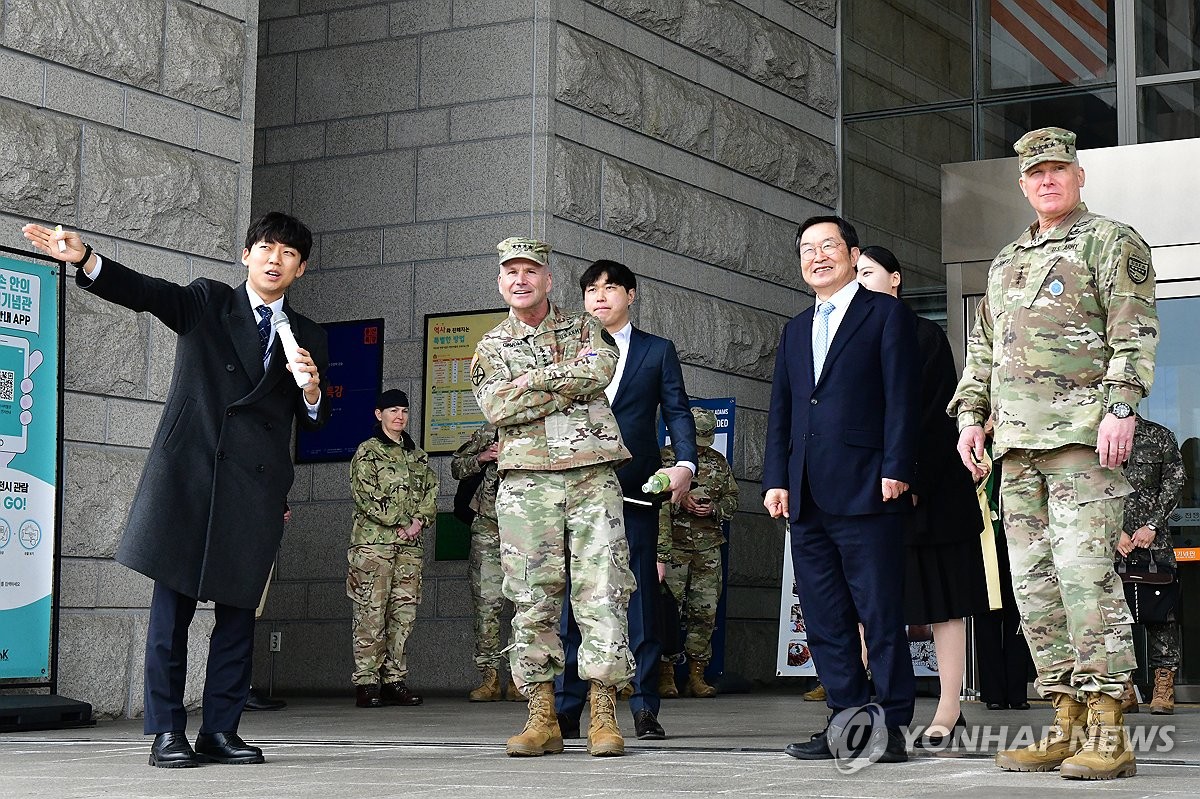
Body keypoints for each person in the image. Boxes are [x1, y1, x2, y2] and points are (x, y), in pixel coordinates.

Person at [21, 213, 329, 767]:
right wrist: (88, 260)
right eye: (265, 247)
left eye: (287, 253)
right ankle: (166, 730)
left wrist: (310, 392)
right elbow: (147, 293)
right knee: (172, 613)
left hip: (253, 491)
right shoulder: (208, 302)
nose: (274, 258)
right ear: (246, 255)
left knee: (237, 620)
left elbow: (311, 421)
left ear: (301, 269)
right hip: (191, 478)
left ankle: (221, 731)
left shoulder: (310, 336)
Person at [949, 127, 1159, 781]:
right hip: (1017, 450)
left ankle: (1109, 726)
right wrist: (971, 418)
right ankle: (1064, 719)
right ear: (1022, 184)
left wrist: (1122, 405)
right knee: (1035, 590)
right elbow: (982, 348)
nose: (1047, 180)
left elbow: (1134, 327)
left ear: (1078, 176)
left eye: (1057, 170)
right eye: (1035, 173)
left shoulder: (1110, 241)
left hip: (1081, 441)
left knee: (1084, 578)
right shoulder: (1008, 259)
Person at [762, 215, 920, 764]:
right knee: (826, 617)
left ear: (854, 255)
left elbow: (903, 399)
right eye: (808, 248)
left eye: (829, 246)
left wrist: (897, 465)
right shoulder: (795, 327)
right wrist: (777, 477)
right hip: (805, 493)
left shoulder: (886, 315)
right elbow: (783, 408)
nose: (818, 256)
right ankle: (845, 723)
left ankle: (893, 726)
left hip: (869, 486)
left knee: (879, 614)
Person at [471, 237, 635, 758]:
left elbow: (601, 370)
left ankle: (603, 715)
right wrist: (567, 380)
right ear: (500, 282)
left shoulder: (585, 326)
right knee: (531, 597)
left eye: (530, 271)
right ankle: (541, 716)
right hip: (526, 483)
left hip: (592, 475)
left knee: (603, 589)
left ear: (547, 279)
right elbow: (497, 406)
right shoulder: (490, 345)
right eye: (510, 272)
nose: (520, 280)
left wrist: (533, 380)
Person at [557, 259, 697, 742]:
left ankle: (643, 705)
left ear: (631, 295)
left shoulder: (657, 351)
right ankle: (566, 705)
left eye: (611, 287)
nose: (600, 296)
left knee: (638, 599)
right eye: (591, 289)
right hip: (573, 489)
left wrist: (686, 463)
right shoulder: (565, 348)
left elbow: (676, 411)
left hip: (635, 491)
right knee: (575, 599)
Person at [856, 246, 990, 747]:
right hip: (871, 497)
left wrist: (910, 478)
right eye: (857, 273)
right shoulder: (851, 337)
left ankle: (950, 708)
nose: (862, 281)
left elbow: (936, 416)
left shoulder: (923, 335)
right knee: (874, 605)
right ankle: (878, 706)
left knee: (942, 603)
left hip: (930, 493)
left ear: (896, 279)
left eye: (869, 272)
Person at [347, 389, 436, 709]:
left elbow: (430, 494)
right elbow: (364, 494)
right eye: (392, 410)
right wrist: (401, 521)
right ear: (378, 414)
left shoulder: (418, 456)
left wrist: (417, 522)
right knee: (371, 613)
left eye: (404, 410)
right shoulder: (367, 452)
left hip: (409, 547)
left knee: (403, 615)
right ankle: (367, 681)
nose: (399, 416)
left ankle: (393, 680)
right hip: (374, 545)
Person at [656, 407, 738, 699]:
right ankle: (665, 675)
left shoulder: (719, 462)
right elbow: (652, 502)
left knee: (704, 612)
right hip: (674, 548)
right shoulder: (665, 459)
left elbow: (732, 498)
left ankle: (696, 675)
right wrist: (682, 501)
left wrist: (714, 509)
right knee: (668, 613)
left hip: (707, 548)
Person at [1117, 414, 1184, 715]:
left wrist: (1153, 525)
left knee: (1162, 616)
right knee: (1116, 617)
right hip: (1113, 546)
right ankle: (1123, 687)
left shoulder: (1158, 436)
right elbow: (1089, 487)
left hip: (1154, 545)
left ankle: (1163, 687)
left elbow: (1175, 481)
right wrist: (1112, 532)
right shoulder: (1094, 438)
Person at [451, 422, 522, 702]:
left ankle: (520, 678)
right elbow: (457, 468)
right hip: (488, 525)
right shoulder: (487, 431)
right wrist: (482, 457)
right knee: (486, 604)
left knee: (526, 606)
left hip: (526, 526)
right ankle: (489, 677)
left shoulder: (540, 427)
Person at [972, 424, 1034, 712]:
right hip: (986, 538)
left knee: (1019, 615)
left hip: (1021, 539)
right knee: (987, 616)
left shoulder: (1022, 444)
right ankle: (993, 692)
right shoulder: (974, 449)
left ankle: (1018, 691)